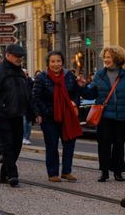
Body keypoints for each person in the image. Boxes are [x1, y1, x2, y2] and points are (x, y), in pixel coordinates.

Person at [0, 44, 32, 188]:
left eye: (21, 57)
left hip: (18, 114)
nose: (19, 59)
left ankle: (4, 174)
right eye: (17, 56)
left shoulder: (21, 72)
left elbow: (27, 94)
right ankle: (13, 174)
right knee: (7, 146)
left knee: (17, 146)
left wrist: (32, 113)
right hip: (2, 115)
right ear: (8, 55)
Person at [32, 51, 82, 182]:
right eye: (53, 61)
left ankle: (66, 171)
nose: (56, 64)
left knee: (69, 143)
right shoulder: (41, 77)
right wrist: (42, 112)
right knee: (52, 145)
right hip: (49, 117)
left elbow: (76, 93)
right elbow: (36, 98)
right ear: (48, 63)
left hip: (67, 115)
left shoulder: (69, 76)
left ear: (62, 62)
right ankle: (53, 173)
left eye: (58, 61)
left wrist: (74, 102)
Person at [79, 46, 125, 182]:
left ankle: (118, 172)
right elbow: (91, 93)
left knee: (119, 144)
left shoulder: (124, 75)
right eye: (105, 57)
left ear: (117, 58)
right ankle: (104, 172)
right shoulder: (100, 75)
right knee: (104, 144)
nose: (106, 59)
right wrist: (83, 86)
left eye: (109, 57)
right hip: (104, 116)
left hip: (121, 116)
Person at [22, 69, 34, 145]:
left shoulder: (31, 82)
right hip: (22, 106)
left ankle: (27, 137)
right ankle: (23, 137)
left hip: (30, 106)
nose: (25, 76)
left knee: (28, 123)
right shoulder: (19, 82)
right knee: (23, 122)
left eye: (26, 74)